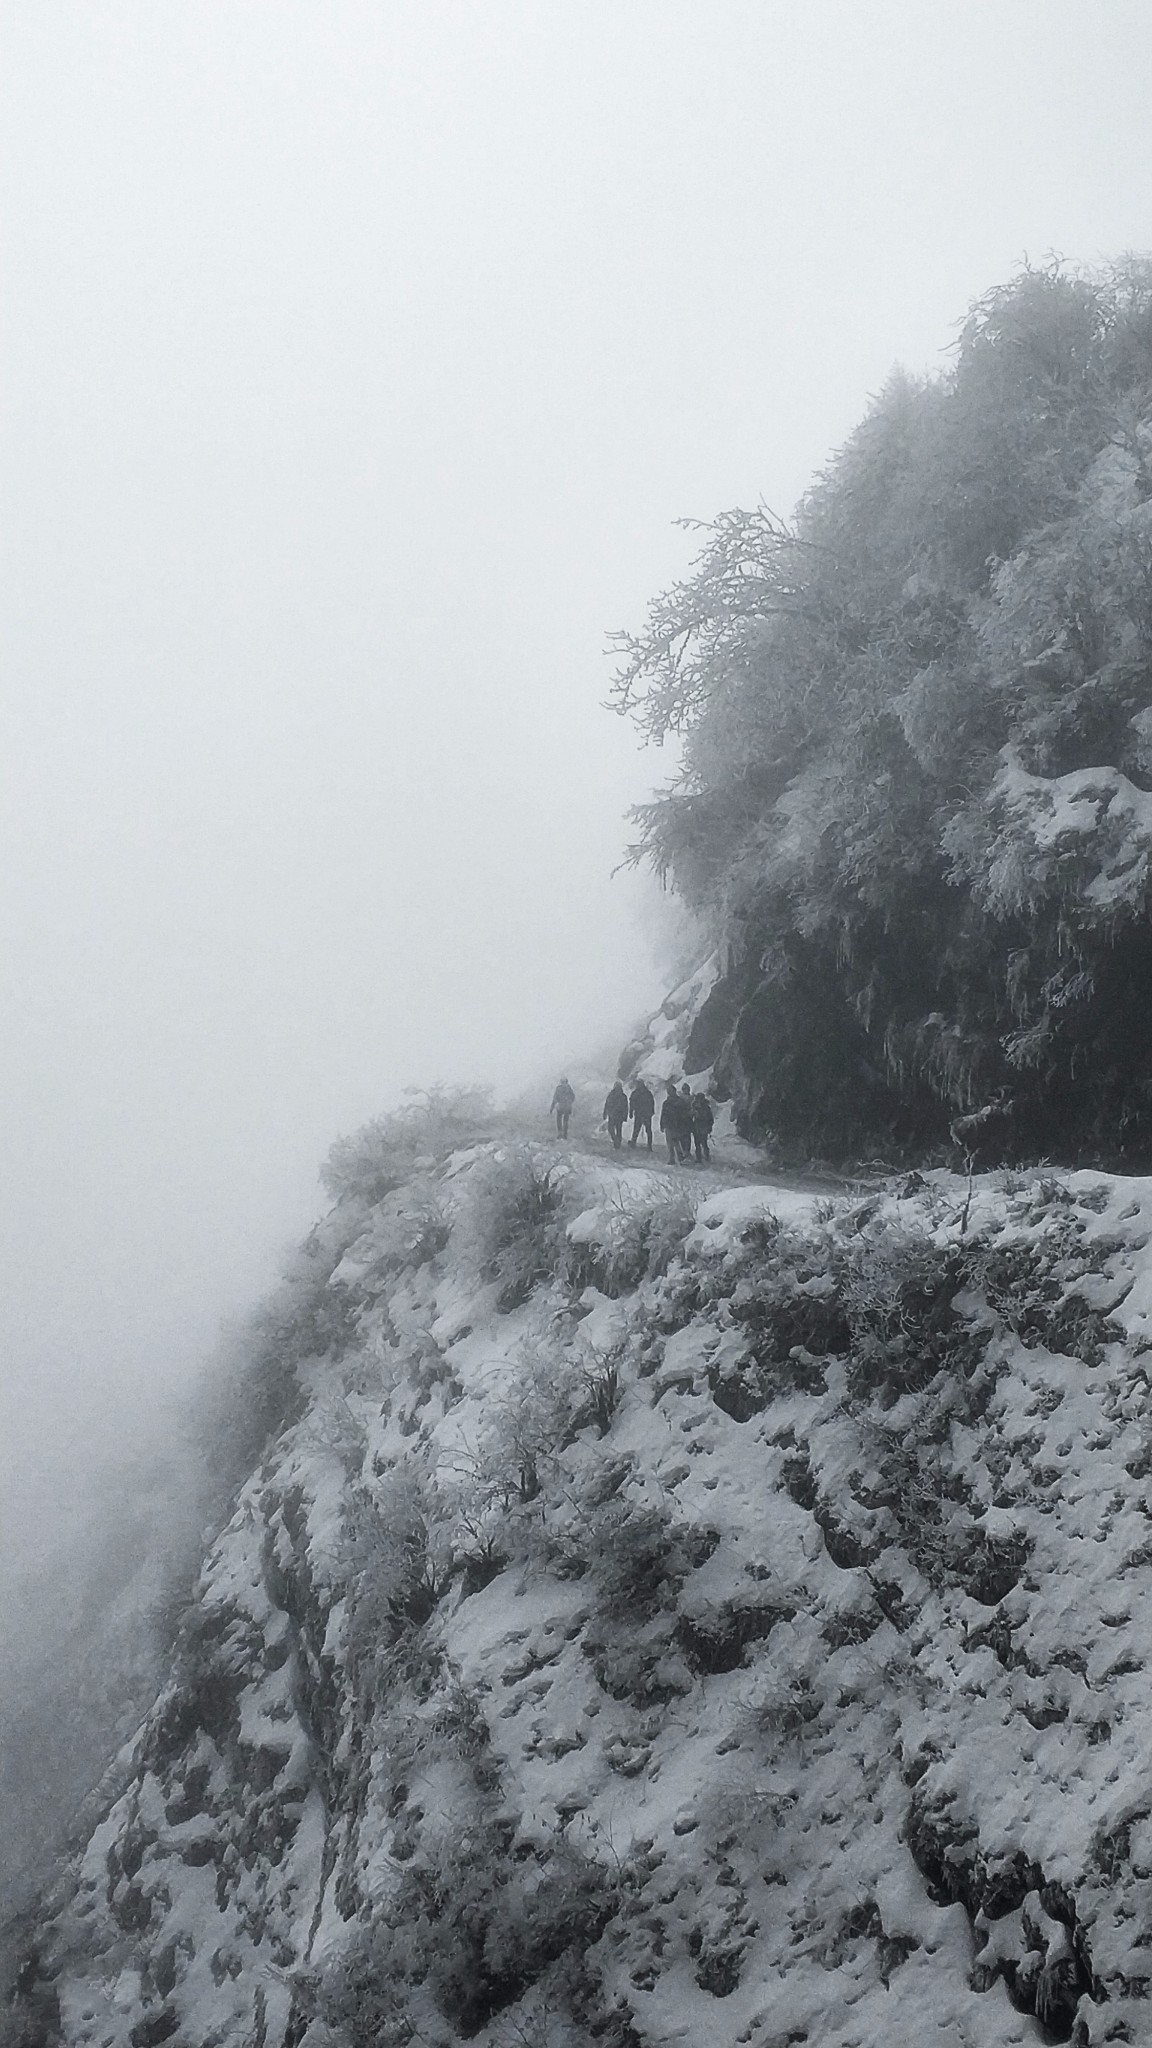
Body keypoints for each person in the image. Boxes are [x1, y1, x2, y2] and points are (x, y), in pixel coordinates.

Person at [660, 1080, 692, 1163]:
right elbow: (683, 1113)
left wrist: (662, 1124)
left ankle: (673, 1158)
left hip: (671, 1125)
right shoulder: (680, 1102)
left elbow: (663, 1114)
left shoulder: (667, 1103)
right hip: (677, 1124)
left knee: (671, 1143)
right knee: (676, 1141)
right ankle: (679, 1156)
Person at [628, 1077, 655, 1151]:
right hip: (647, 1114)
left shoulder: (636, 1093)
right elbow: (651, 1103)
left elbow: (632, 1103)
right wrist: (651, 1112)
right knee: (648, 1130)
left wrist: (631, 1112)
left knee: (636, 1129)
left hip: (639, 1113)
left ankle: (633, 1142)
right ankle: (649, 1145)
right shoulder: (648, 1093)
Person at [689, 1089, 714, 1163]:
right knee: (697, 1143)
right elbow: (690, 1116)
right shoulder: (695, 1107)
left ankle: (706, 1156)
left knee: (703, 1143)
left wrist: (709, 1127)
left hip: (703, 1127)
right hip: (697, 1127)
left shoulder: (706, 1108)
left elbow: (710, 1119)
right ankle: (699, 1157)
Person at [603, 1080, 629, 1149]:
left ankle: (616, 1141)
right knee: (618, 1130)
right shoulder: (623, 1096)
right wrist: (625, 1116)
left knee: (612, 1129)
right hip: (618, 1116)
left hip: (613, 1115)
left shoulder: (611, 1095)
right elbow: (626, 1107)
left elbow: (607, 1104)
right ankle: (617, 1143)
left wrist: (605, 1113)